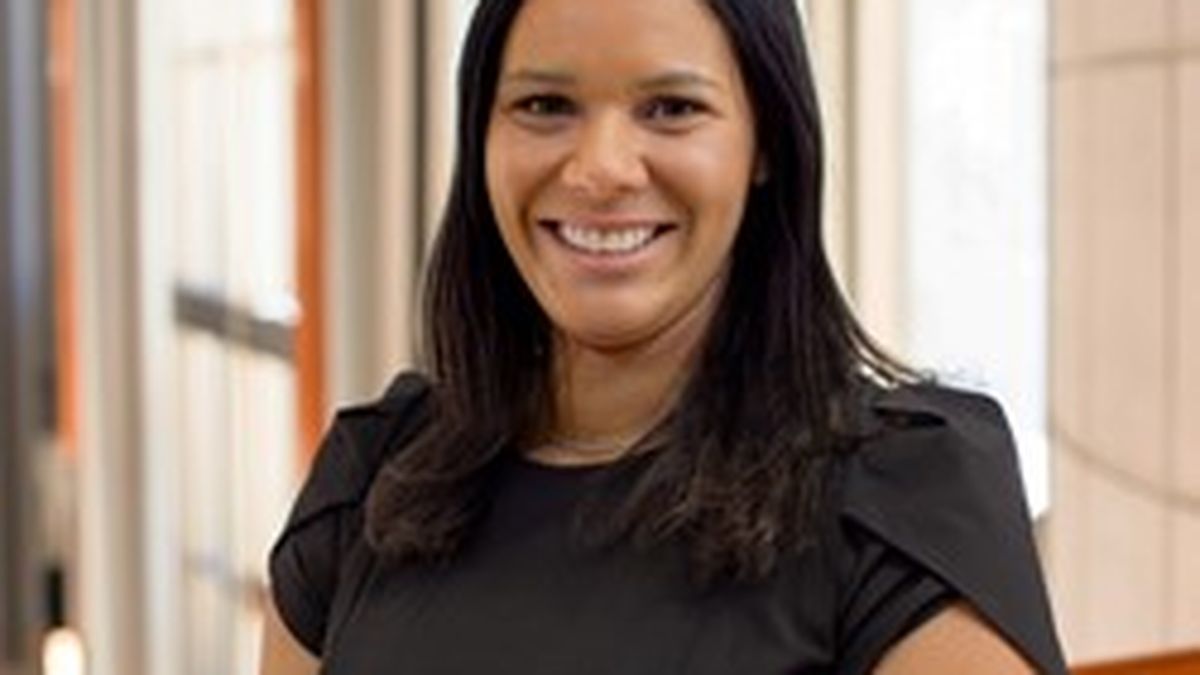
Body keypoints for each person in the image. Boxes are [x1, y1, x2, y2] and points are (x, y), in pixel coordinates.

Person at [260, 0, 1067, 672]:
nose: (601, 168)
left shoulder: (906, 503)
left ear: (765, 145)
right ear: (483, 140)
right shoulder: (370, 480)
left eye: (672, 109)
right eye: (545, 105)